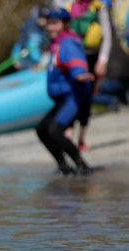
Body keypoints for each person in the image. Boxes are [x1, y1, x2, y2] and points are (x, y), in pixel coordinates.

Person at [36, 8, 95, 176]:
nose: (51, 28)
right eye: (49, 24)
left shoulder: (69, 42)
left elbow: (76, 61)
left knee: (54, 130)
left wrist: (80, 73)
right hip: (62, 98)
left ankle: (82, 165)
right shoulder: (56, 44)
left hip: (73, 97)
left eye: (55, 24)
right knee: (42, 129)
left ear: (65, 24)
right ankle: (63, 166)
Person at [64, 0, 113, 151]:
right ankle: (68, 137)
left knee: (87, 98)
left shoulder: (99, 7)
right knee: (71, 96)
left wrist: (103, 60)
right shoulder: (70, 7)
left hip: (92, 58)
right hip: (75, 58)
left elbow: (107, 35)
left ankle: (81, 140)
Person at [12, 5, 50, 71]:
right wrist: (41, 63)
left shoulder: (43, 28)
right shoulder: (32, 27)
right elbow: (32, 48)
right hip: (24, 59)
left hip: (29, 59)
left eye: (46, 18)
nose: (44, 20)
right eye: (42, 17)